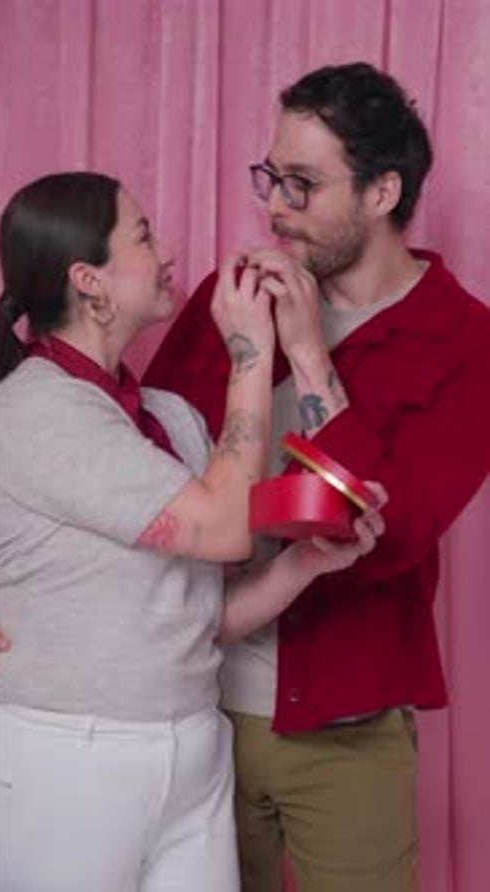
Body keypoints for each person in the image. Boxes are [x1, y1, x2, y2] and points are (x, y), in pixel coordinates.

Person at [142, 62, 490, 892]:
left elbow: (394, 536)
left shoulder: (466, 341)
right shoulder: (224, 301)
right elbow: (148, 483)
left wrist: (305, 352)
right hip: (190, 712)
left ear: (382, 193)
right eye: (271, 177)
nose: (273, 207)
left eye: (302, 184)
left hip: (346, 728)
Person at [0, 171, 385, 892]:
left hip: (194, 753)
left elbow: (202, 621)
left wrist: (304, 564)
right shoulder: (37, 413)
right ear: (90, 281)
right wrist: (251, 351)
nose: (170, 252)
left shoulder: (168, 418)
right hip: (68, 759)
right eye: (143, 236)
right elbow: (224, 527)